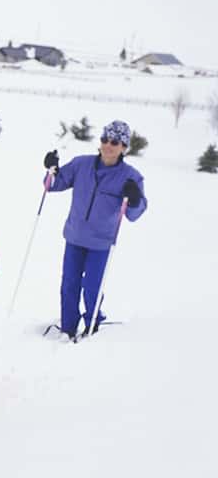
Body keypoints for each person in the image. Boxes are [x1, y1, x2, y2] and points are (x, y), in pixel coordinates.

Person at [44, 119, 147, 341]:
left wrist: (135, 198)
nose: (108, 145)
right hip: (75, 237)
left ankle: (92, 323)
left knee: (91, 288)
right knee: (69, 285)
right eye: (104, 139)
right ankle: (68, 328)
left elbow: (134, 213)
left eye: (115, 142)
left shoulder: (130, 177)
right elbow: (52, 185)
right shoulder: (81, 164)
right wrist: (51, 169)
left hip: (101, 243)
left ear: (124, 148)